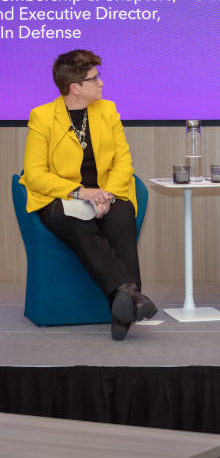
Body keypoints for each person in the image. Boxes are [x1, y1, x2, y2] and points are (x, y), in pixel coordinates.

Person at [20, 49, 156, 341]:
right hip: (60, 199)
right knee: (79, 222)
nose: (102, 83)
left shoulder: (107, 111)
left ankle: (123, 303)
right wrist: (80, 192)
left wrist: (105, 195)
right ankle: (130, 297)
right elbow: (33, 174)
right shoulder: (43, 117)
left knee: (121, 217)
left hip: (107, 194)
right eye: (95, 78)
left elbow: (123, 162)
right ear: (75, 88)